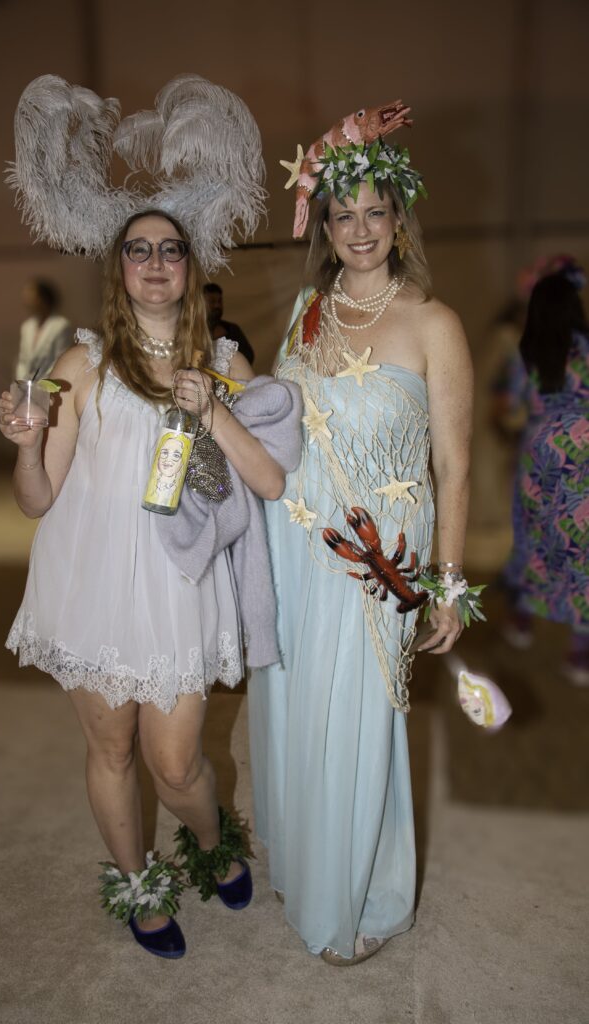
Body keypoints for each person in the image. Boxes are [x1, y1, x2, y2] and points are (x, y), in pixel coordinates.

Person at [0, 74, 301, 961]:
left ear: (191, 266)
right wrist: (27, 437)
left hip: (174, 587)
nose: (156, 262)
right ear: (117, 267)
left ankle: (212, 843)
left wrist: (212, 411)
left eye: (171, 248)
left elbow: (271, 483)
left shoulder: (228, 360)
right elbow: (37, 499)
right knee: (114, 749)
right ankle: (137, 886)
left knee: (178, 765)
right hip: (89, 582)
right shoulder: (78, 364)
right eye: (139, 250)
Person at [249, 100, 474, 965]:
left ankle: (359, 891)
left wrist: (448, 582)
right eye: (341, 214)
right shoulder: (308, 309)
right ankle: (307, 866)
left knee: (359, 718)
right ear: (326, 226)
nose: (359, 229)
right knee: (302, 708)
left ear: (397, 217)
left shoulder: (434, 323)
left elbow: (453, 464)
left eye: (374, 211)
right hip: (295, 540)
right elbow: (280, 425)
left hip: (375, 555)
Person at [502, 259, 589, 684]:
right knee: (581, 546)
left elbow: (513, 407)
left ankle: (521, 622)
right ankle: (580, 653)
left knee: (533, 534)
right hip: (582, 450)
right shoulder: (586, 347)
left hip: (537, 450)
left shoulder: (529, 350)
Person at [15, 278, 73, 381]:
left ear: (43, 299)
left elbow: (60, 360)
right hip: (26, 387)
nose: (27, 299)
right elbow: (22, 361)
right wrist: (22, 382)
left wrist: (41, 384)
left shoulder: (61, 325)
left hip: (49, 385)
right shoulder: (27, 326)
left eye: (32, 294)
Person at [203, 282, 255, 364]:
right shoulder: (191, 330)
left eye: (219, 301)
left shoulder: (232, 329)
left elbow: (249, 356)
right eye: (212, 301)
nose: (217, 306)